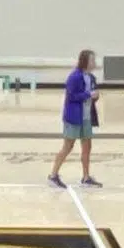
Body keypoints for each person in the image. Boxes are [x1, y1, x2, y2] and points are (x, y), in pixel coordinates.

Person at [47, 50, 100, 190]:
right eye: (92, 60)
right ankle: (53, 175)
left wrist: (95, 96)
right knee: (68, 147)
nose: (95, 63)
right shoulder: (74, 77)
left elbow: (91, 95)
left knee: (87, 147)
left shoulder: (92, 78)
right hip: (74, 117)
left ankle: (86, 177)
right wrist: (89, 94)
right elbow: (71, 97)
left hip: (86, 117)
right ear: (85, 61)